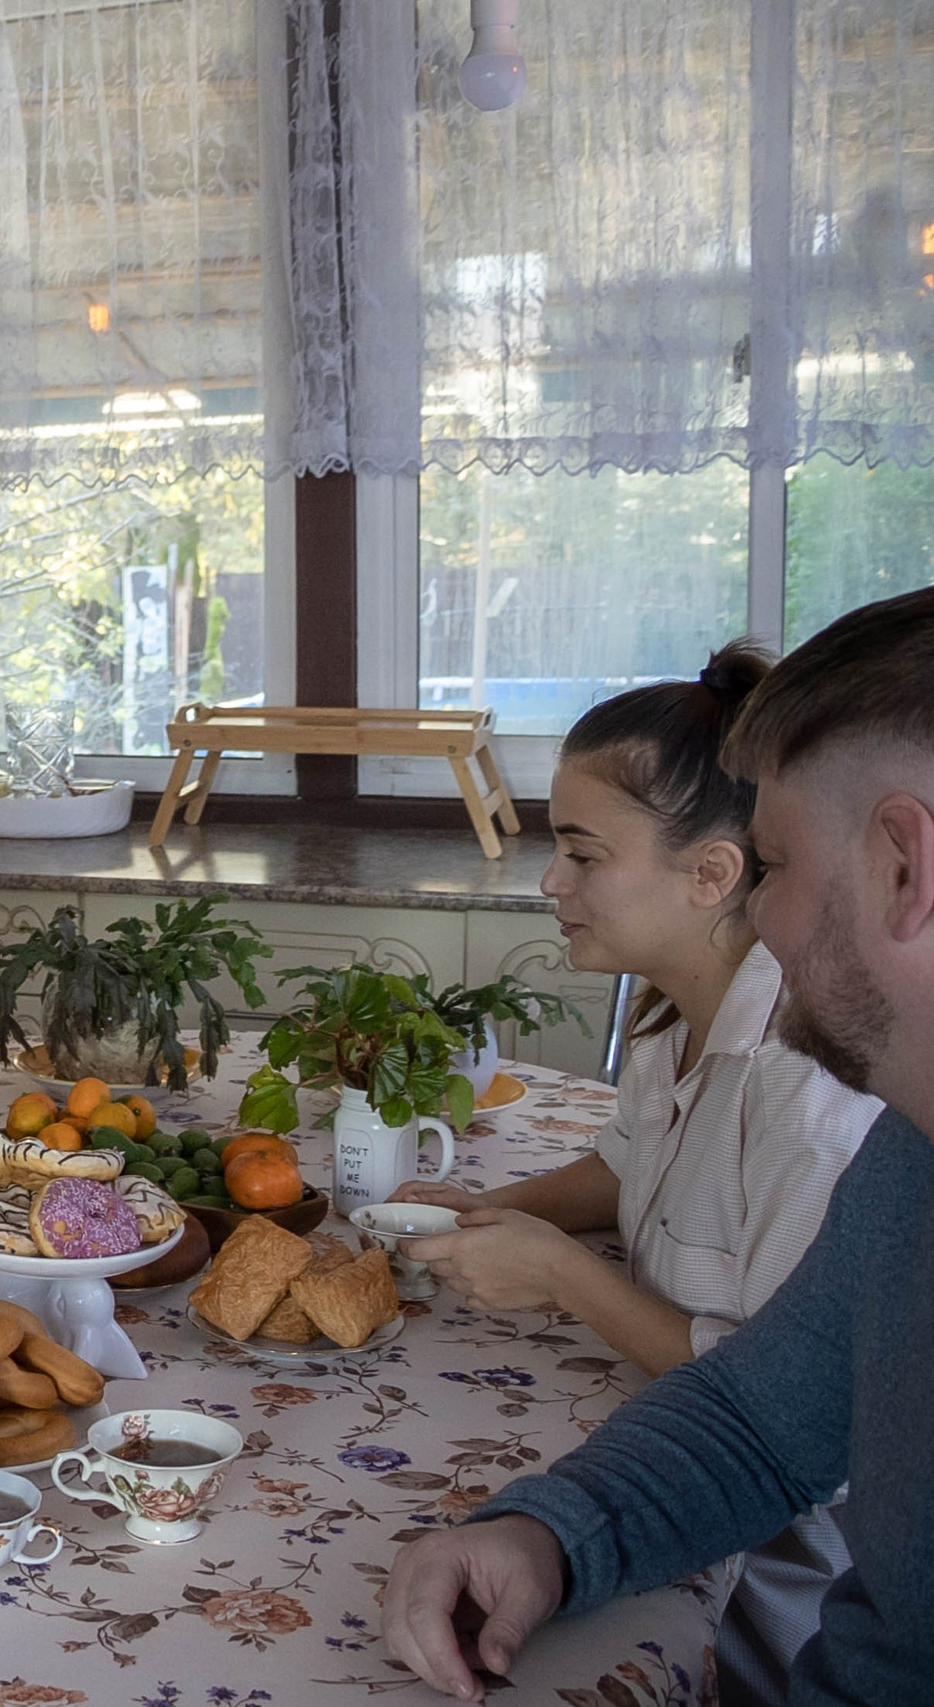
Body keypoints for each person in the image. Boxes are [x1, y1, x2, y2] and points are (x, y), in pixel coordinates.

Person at [379, 587, 934, 1707]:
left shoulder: (836, 1112)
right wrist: (548, 1534)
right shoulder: (911, 1164)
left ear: (902, 867)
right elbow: (762, 1415)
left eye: (771, 867)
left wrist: (559, 1274)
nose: (762, 931)